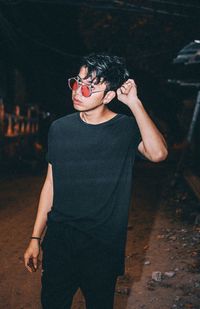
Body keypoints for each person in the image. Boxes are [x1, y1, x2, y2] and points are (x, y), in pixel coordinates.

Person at [24, 53, 168, 309]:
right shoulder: (60, 128)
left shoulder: (125, 128)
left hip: (102, 245)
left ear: (110, 95)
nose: (79, 92)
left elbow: (158, 154)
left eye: (89, 87)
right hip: (60, 242)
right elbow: (51, 184)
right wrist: (36, 238)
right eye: (77, 82)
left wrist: (134, 103)